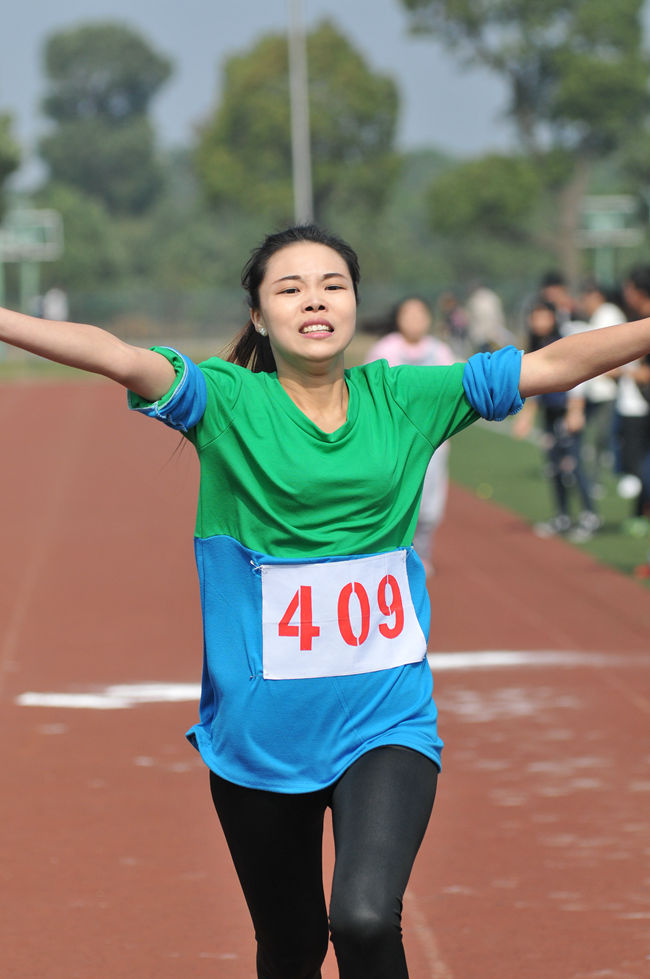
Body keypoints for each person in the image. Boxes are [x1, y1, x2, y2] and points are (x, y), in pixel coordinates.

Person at [3, 223, 650, 979]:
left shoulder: (406, 395)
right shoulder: (225, 400)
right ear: (258, 315)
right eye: (290, 287)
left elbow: (551, 365)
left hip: (386, 719)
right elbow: (114, 353)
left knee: (367, 919)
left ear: (355, 302)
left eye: (332, 284)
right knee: (292, 947)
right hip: (259, 738)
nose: (315, 300)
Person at [365, 296, 456, 574]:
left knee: (429, 505)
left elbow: (452, 391)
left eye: (420, 314)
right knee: (391, 497)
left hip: (433, 443)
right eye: (409, 314)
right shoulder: (386, 349)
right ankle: (390, 555)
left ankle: (422, 552)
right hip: (394, 440)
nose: (415, 320)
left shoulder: (440, 351)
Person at [514, 299, 600, 541]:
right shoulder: (536, 344)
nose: (538, 322)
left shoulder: (563, 340)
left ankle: (589, 516)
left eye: (543, 316)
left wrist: (576, 410)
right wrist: (527, 417)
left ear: (553, 318)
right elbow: (534, 383)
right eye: (534, 317)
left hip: (567, 411)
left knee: (572, 464)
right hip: (550, 413)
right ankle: (562, 516)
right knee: (553, 466)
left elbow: (579, 375)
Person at [577, 279, 625, 493]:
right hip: (595, 389)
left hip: (607, 389)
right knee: (593, 438)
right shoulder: (600, 315)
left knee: (601, 438)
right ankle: (586, 476)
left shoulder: (609, 314)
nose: (585, 301)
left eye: (588, 296)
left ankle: (595, 479)